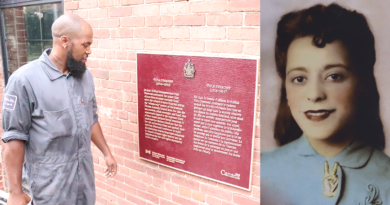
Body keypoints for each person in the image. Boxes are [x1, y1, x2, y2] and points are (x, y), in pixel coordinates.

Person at [261, 3, 390, 204]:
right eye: (299, 79)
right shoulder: (261, 171)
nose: (314, 94)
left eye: (334, 76)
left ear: (363, 83)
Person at [2, 14, 117, 205]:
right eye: (85, 44)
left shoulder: (84, 76)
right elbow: (14, 139)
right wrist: (15, 192)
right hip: (50, 189)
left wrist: (106, 152)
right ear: (65, 41)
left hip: (84, 183)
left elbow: (91, 118)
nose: (89, 51)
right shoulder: (24, 80)